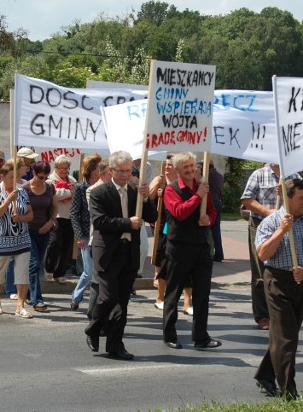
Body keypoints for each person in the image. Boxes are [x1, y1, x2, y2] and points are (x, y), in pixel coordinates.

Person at [253, 178, 303, 400]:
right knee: (287, 338)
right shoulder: (271, 222)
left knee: (284, 335)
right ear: (288, 197)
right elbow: (263, 254)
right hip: (277, 281)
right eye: (300, 198)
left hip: (301, 281)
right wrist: (282, 231)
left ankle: (265, 374)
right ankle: (288, 391)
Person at [84, 151, 157, 360]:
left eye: (129, 171)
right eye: (122, 171)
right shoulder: (99, 192)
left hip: (129, 252)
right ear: (112, 170)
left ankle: (115, 345)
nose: (126, 175)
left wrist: (146, 198)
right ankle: (93, 328)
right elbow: (100, 222)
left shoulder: (135, 191)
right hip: (107, 252)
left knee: (122, 301)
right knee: (108, 296)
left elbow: (153, 217)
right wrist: (127, 223)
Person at [162, 152, 220, 351]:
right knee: (174, 292)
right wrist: (198, 197)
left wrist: (209, 220)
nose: (190, 170)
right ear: (177, 170)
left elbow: (212, 211)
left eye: (192, 165)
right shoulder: (171, 190)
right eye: (185, 167)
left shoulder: (201, 187)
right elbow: (180, 212)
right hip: (179, 248)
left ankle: (201, 337)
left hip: (202, 247)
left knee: (202, 293)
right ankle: (169, 334)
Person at [240, 163, 301, 330]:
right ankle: (263, 315)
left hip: (287, 225)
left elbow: (301, 198)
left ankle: (282, 312)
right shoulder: (259, 174)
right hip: (261, 224)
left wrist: (288, 193)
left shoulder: (294, 175)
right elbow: (247, 199)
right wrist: (268, 213)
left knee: (285, 267)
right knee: (260, 269)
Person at [0, 160, 34, 318]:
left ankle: (20, 305)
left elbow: (30, 214)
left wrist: (20, 218)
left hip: (22, 238)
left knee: (22, 273)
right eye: (10, 177)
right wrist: (8, 200)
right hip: (3, 239)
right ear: (2, 176)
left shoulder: (22, 192)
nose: (12, 180)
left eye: (14, 176)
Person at [153, 155, 193, 314]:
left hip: (186, 230)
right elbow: (148, 201)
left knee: (188, 267)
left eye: (170, 165)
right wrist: (156, 191)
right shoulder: (160, 181)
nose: (167, 167)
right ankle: (160, 298)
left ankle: (187, 303)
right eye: (166, 165)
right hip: (166, 228)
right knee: (165, 264)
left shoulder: (186, 184)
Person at [23, 161, 58, 312]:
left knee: (37, 265)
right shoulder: (25, 189)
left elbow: (55, 207)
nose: (42, 179)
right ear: (34, 173)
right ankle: (37, 299)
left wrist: (50, 222)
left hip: (44, 231)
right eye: (40, 176)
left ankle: (29, 294)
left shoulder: (50, 187)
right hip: (28, 231)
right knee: (34, 264)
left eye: (45, 177)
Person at [69, 153, 102, 311]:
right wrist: (79, 235)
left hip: (100, 234)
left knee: (98, 272)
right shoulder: (80, 188)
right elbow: (74, 213)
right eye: (99, 166)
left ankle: (96, 303)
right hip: (85, 234)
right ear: (92, 169)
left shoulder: (104, 187)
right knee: (89, 272)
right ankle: (76, 297)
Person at [84, 159, 112, 320]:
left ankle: (103, 315)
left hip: (115, 241)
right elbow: (98, 214)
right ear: (102, 174)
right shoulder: (93, 190)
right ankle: (92, 313)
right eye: (111, 172)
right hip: (98, 240)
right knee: (97, 278)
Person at [46, 154, 76, 283]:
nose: (64, 170)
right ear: (56, 167)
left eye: (66, 168)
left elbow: (76, 196)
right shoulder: (50, 180)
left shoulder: (73, 180)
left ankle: (60, 273)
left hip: (70, 216)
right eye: (61, 168)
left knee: (67, 246)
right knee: (55, 244)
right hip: (56, 216)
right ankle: (49, 270)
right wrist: (69, 193)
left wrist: (64, 194)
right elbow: (53, 195)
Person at [207, 161, 225, 262]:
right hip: (218, 202)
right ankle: (219, 254)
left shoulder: (208, 174)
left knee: (207, 228)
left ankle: (209, 253)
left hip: (210, 203)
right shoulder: (220, 176)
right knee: (216, 230)